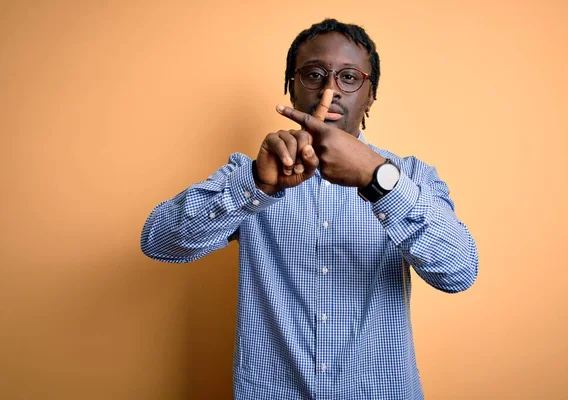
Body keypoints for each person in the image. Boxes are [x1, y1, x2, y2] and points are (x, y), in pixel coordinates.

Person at [141, 18, 478, 400]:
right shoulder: (249, 172)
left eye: (349, 77)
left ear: (370, 96)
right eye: (314, 74)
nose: (330, 91)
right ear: (292, 88)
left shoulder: (411, 176)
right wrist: (254, 184)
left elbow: (459, 272)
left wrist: (377, 178)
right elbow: (157, 241)